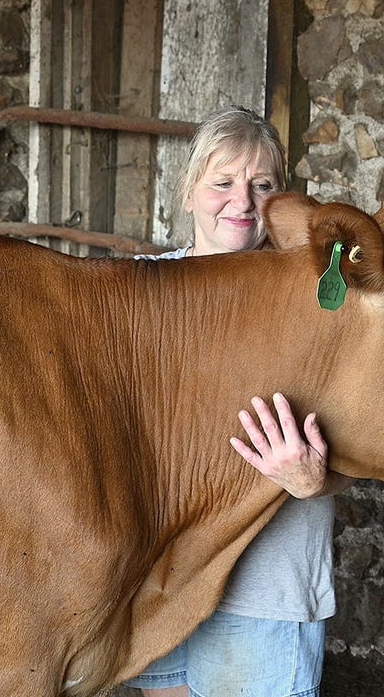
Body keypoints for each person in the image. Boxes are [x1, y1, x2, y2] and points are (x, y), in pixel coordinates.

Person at [125, 105, 354, 697]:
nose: (242, 201)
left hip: (265, 593)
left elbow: (363, 444)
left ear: (283, 201)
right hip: (163, 581)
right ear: (188, 192)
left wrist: (317, 481)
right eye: (222, 182)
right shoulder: (140, 295)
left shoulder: (316, 306)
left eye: (262, 185)